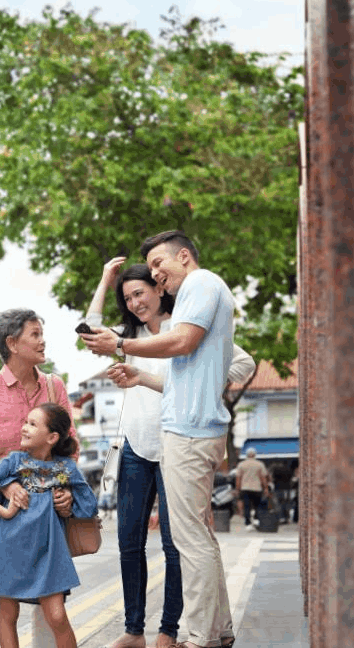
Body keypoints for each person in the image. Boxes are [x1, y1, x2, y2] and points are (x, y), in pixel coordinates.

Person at [85, 257, 256, 648]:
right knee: (129, 541)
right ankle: (133, 631)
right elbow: (91, 333)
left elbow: (243, 363)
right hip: (135, 448)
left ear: (159, 290)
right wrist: (105, 276)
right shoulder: (131, 334)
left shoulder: (186, 328)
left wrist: (201, 382)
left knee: (176, 543)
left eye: (139, 293)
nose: (133, 303)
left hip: (175, 443)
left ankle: (169, 630)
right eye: (126, 297)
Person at [0, 308, 78, 648]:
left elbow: (70, 444)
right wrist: (5, 485)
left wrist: (63, 487)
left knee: (47, 595)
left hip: (44, 512)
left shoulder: (54, 386)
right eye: (34, 334)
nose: (42, 340)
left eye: (41, 333)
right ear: (12, 343)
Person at [0, 403, 97, 648]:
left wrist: (68, 497)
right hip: (9, 546)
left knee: (57, 616)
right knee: (8, 615)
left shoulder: (65, 468)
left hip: (50, 551)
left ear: (52, 437)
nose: (24, 428)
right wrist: (4, 512)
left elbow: (88, 506)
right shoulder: (14, 461)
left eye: (32, 424)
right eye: (25, 422)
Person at [234, 448, 269, 529]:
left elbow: (238, 478)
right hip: (257, 488)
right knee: (257, 505)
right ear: (255, 455)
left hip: (245, 488)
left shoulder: (241, 464)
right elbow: (263, 478)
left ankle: (248, 523)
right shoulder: (260, 464)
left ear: (246, 455)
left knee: (247, 506)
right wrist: (266, 488)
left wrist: (237, 489)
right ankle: (256, 519)